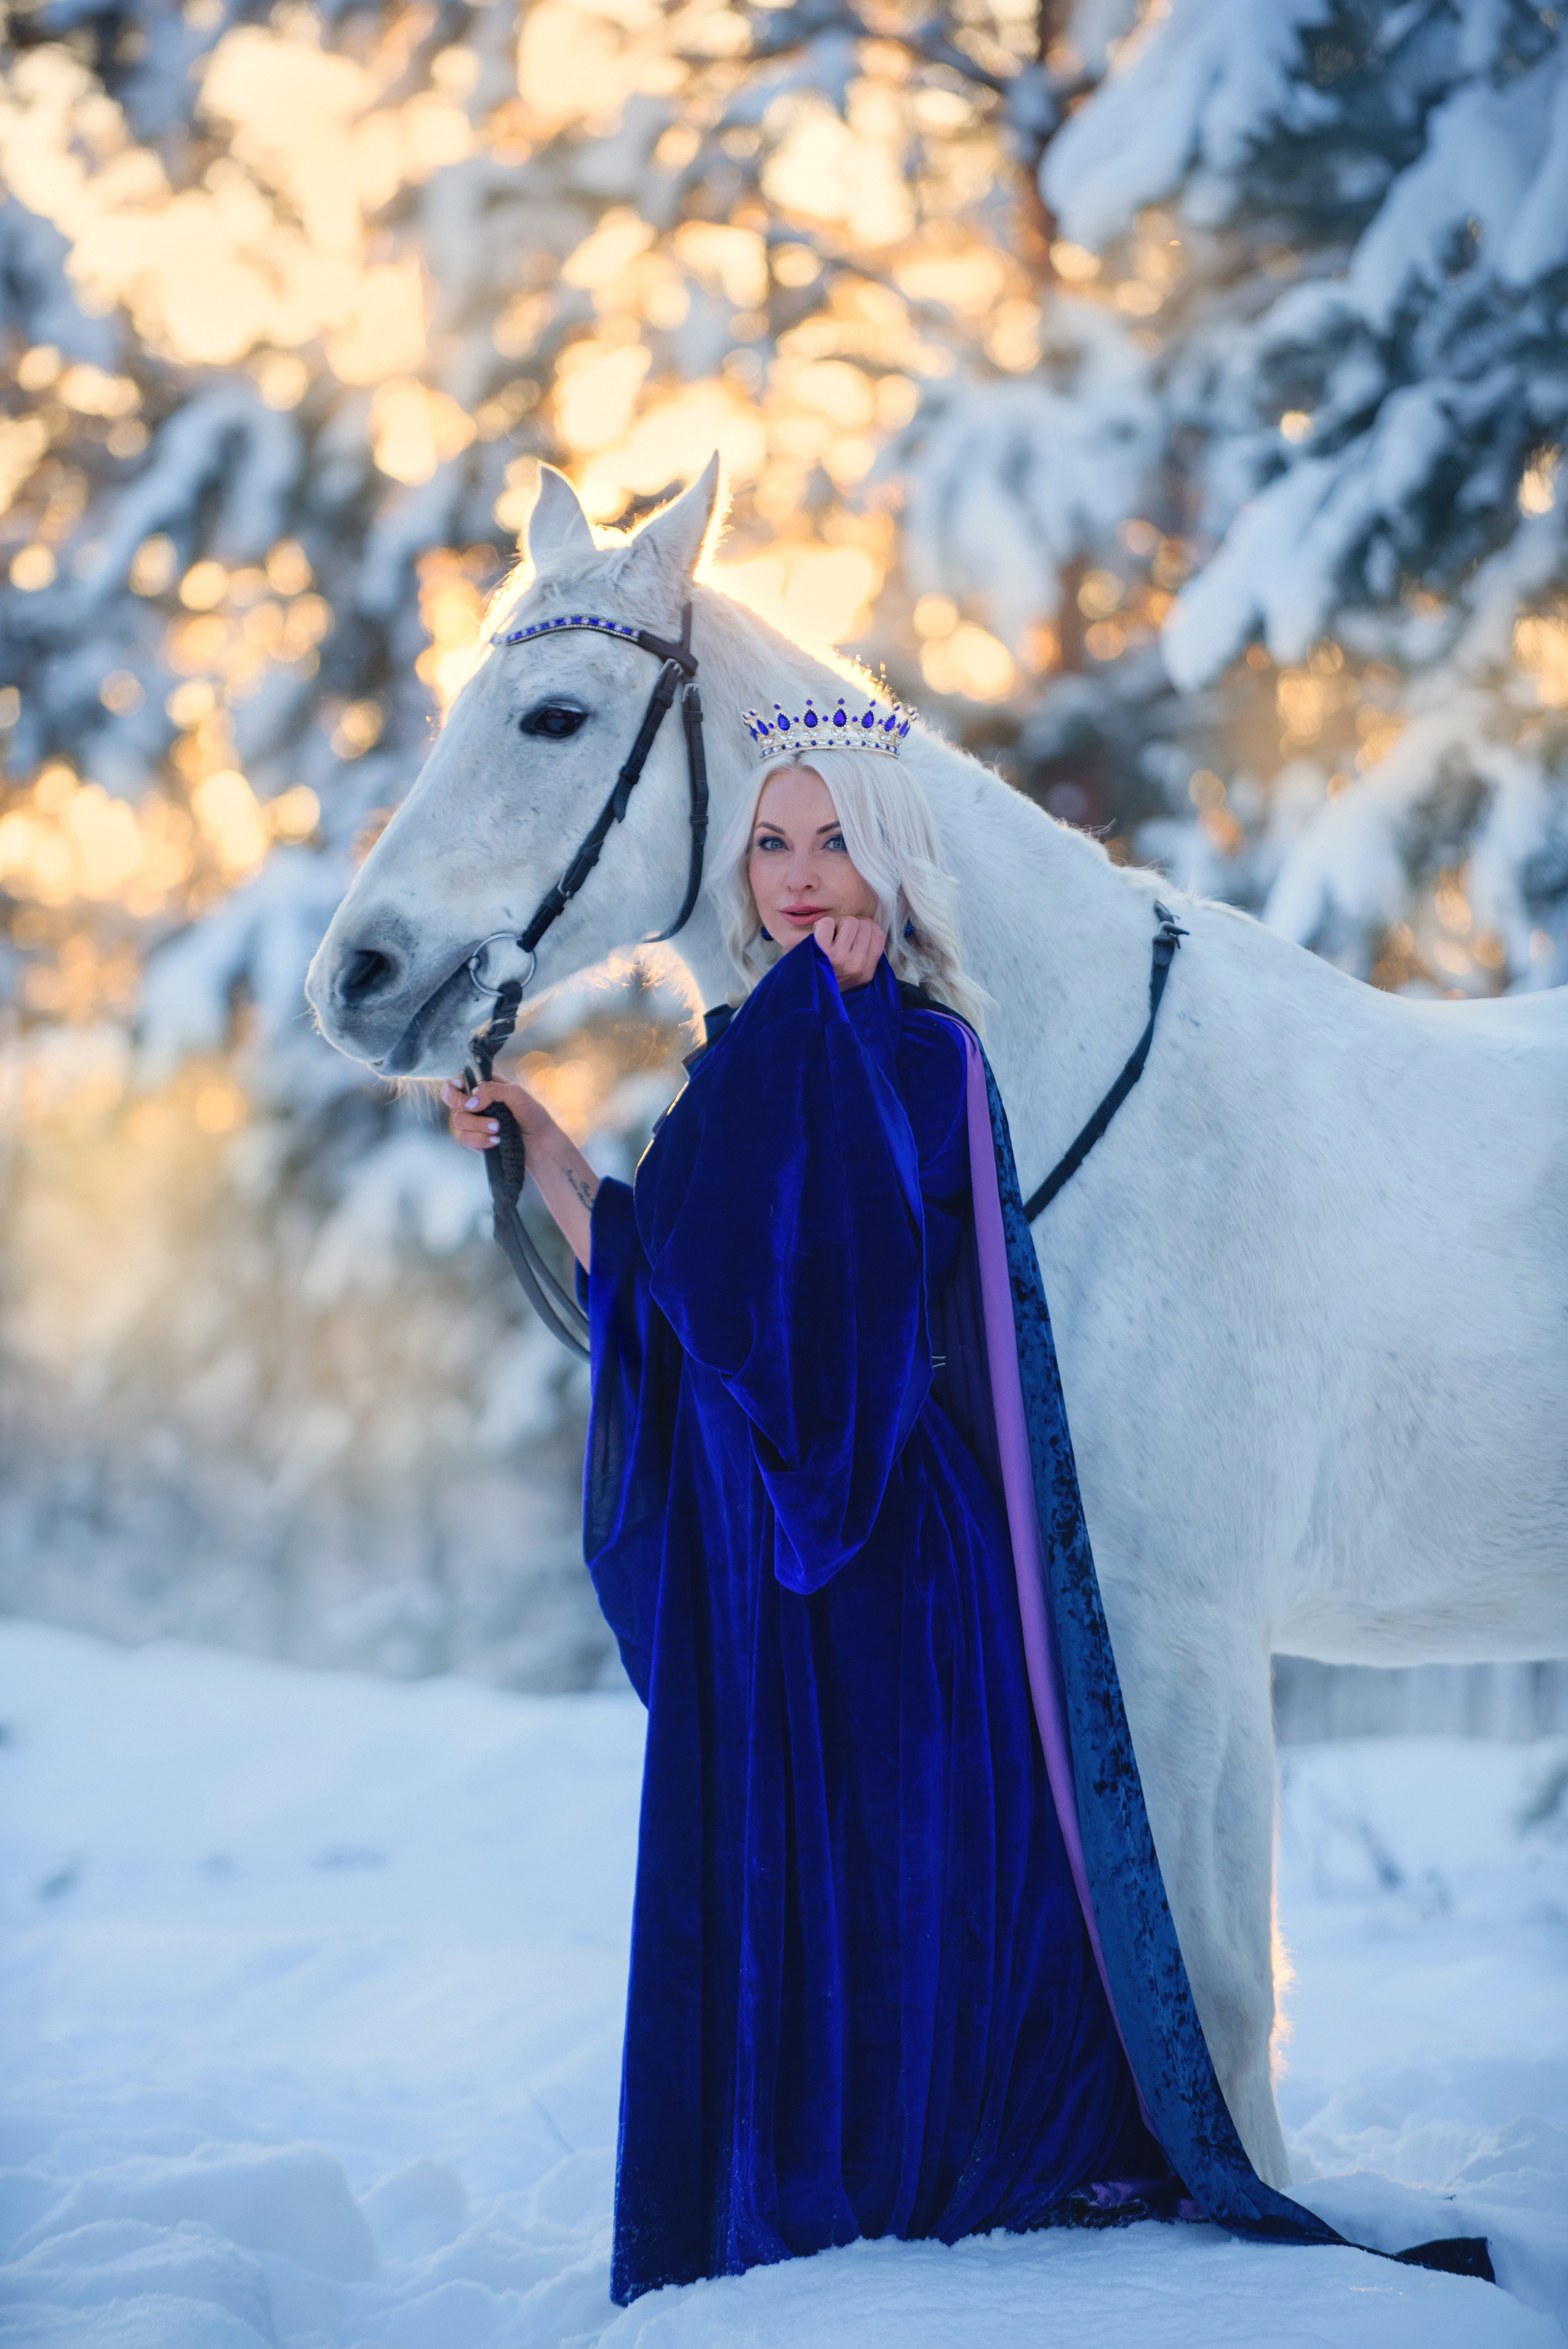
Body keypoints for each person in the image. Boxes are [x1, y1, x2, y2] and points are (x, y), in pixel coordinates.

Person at [442, 695, 1362, 2303]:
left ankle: (934, 2187)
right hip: (758, 1564)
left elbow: (844, 1306)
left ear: (892, 854)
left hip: (882, 1563)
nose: (803, 873)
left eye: (836, 839)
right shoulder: (749, 1048)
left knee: (902, 1887)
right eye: (776, 841)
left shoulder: (926, 1053)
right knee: (780, 1902)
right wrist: (538, 1140)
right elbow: (669, 1291)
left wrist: (817, 1028)